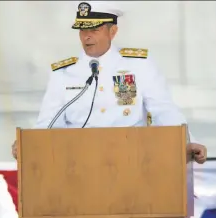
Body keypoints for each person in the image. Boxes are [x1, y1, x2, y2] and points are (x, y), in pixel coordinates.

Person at [12, 1, 207, 164]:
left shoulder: (138, 65)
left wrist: (186, 143)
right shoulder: (63, 73)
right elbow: (48, 123)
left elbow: (164, 110)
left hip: (132, 159)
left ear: (112, 31)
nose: (87, 36)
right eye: (82, 30)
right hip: (79, 164)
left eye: (94, 30)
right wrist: (28, 145)